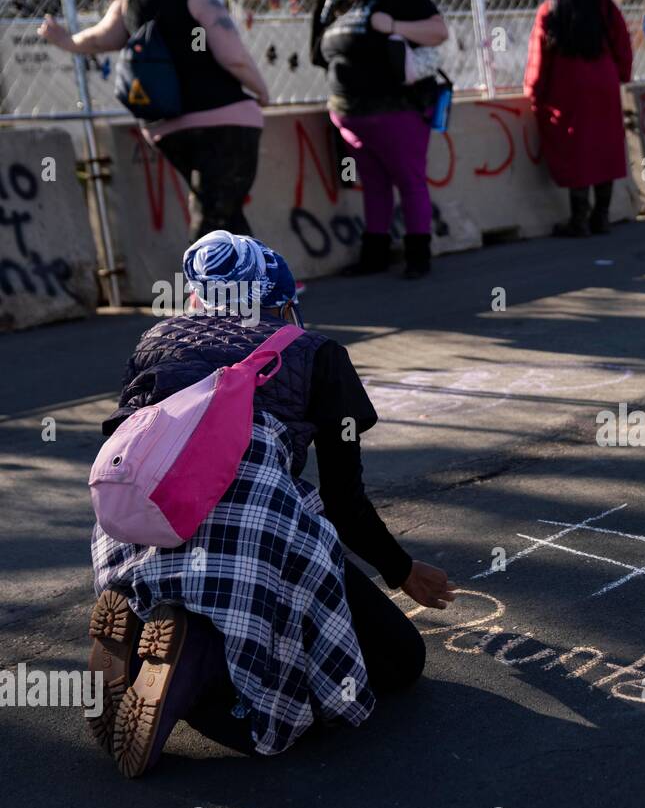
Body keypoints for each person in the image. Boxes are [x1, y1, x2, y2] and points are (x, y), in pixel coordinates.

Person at [87, 231, 457, 778]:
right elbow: (343, 501)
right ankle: (196, 669)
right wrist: (400, 570)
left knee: (202, 597)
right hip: (252, 530)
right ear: (282, 300)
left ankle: (149, 636)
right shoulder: (317, 354)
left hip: (131, 534)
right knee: (396, 662)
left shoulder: (156, 340)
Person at [39, 0, 269, 242]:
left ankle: (258, 277)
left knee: (222, 208)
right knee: (215, 214)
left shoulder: (128, 3)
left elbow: (101, 38)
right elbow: (234, 57)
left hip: (165, 127)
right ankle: (204, 276)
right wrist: (261, 91)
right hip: (224, 120)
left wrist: (66, 41)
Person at [311, 0, 450, 278]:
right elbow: (317, 55)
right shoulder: (333, 6)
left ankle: (417, 256)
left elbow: (439, 32)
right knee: (374, 186)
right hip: (352, 117)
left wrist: (394, 26)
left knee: (410, 182)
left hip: (397, 111)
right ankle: (375, 255)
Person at [524, 0, 633, 237]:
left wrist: (533, 89)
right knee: (606, 145)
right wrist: (622, 73)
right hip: (603, 79)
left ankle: (579, 219)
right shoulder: (604, 6)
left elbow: (539, 53)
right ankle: (602, 216)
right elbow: (622, 43)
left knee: (576, 147)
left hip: (567, 82)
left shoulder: (551, 8)